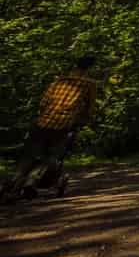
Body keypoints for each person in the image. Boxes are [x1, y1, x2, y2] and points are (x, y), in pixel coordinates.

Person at [3, 55, 98, 199]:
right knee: (53, 156)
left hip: (42, 122)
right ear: (89, 68)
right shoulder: (89, 84)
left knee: (31, 155)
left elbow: (43, 103)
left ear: (74, 66)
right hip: (63, 124)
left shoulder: (58, 81)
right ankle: (32, 181)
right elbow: (89, 109)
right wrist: (85, 120)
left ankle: (13, 183)